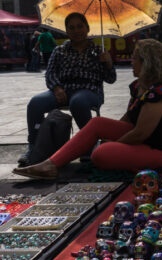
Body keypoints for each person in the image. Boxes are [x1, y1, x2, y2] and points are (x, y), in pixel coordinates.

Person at [13, 39, 162, 180]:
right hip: (142, 142)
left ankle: (133, 162)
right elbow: (128, 119)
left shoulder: (160, 91)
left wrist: (115, 142)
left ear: (147, 63)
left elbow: (140, 134)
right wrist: (108, 135)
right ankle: (50, 164)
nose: (131, 62)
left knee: (100, 154)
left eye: (135, 58)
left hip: (158, 151)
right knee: (97, 123)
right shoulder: (140, 86)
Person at [17, 12, 117, 167]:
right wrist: (56, 88)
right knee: (36, 103)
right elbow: (50, 74)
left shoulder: (99, 51)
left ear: (87, 28)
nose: (76, 31)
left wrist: (108, 63)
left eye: (80, 26)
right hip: (62, 90)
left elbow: (111, 79)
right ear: (66, 31)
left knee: (78, 102)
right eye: (71, 28)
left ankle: (88, 147)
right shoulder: (59, 51)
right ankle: (34, 147)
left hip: (89, 90)